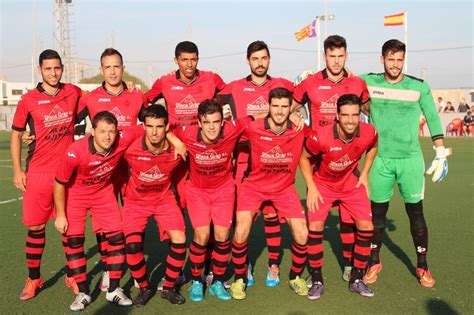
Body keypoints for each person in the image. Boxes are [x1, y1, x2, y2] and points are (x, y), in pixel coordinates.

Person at [53, 111, 185, 311]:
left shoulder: (122, 139)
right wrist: (61, 214)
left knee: (117, 239)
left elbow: (153, 127)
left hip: (103, 193)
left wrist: (175, 139)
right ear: (92, 131)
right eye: (102, 131)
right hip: (76, 195)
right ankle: (83, 292)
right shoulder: (75, 151)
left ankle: (114, 289)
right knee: (74, 241)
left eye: (111, 131)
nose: (107, 136)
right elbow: (59, 183)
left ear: (118, 132)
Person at [360, 39, 448, 288]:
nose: (395, 65)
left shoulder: (418, 86)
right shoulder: (369, 80)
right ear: (382, 60)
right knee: (377, 215)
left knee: (416, 212)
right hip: (379, 159)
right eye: (391, 59)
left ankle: (423, 266)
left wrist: (440, 151)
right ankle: (374, 260)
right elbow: (343, 80)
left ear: (404, 60)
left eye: (399, 60)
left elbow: (431, 115)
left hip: (410, 159)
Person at [216, 40, 295, 287]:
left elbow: (307, 94)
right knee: (244, 219)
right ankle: (245, 263)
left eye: (263, 58)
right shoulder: (234, 88)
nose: (260, 63)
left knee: (271, 216)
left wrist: (294, 113)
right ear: (248, 61)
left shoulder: (283, 85)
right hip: (244, 162)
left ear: (269, 59)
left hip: (274, 164)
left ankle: (273, 264)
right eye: (255, 59)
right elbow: (213, 108)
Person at [292, 35, 370, 282]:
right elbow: (291, 106)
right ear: (324, 56)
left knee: (348, 218)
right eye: (331, 56)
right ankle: (314, 271)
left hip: (347, 160)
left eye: (340, 56)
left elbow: (370, 109)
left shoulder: (357, 83)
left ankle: (348, 264)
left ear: (346, 56)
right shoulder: (310, 83)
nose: (336, 61)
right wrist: (295, 117)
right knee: (316, 219)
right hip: (317, 161)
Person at [174, 99, 265, 302]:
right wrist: (176, 142)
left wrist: (292, 114)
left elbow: (255, 117)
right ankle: (197, 280)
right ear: (199, 122)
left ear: (222, 122)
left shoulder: (232, 129)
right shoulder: (187, 133)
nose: (212, 127)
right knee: (202, 234)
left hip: (224, 190)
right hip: (197, 191)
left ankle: (217, 280)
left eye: (216, 121)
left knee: (223, 235)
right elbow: (166, 128)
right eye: (207, 122)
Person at [10, 49, 82, 300]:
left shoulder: (73, 92)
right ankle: (34, 278)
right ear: (40, 70)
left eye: (57, 68)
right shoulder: (28, 100)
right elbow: (17, 134)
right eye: (48, 68)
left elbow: (95, 103)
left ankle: (73, 275)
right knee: (36, 228)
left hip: (67, 173)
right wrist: (18, 169)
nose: (53, 73)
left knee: (69, 228)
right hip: (38, 173)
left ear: (62, 68)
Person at [76, 47, 149, 292]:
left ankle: (138, 270)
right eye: (107, 67)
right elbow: (66, 120)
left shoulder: (137, 96)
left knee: (134, 219)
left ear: (123, 68)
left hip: (131, 169)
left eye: (116, 66)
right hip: (102, 171)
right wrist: (33, 134)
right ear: (101, 70)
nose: (112, 71)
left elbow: (154, 122)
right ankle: (108, 269)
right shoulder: (91, 98)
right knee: (103, 223)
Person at [230, 87, 309, 300]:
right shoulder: (254, 127)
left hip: (284, 189)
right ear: (269, 106)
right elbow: (229, 129)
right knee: (241, 231)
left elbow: (321, 143)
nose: (281, 111)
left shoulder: (299, 129)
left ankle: (295, 276)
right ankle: (239, 278)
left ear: (290, 107)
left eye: (285, 107)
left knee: (302, 234)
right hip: (253, 187)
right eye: (276, 106)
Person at [300, 94, 378, 299]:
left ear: (360, 115)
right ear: (337, 115)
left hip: (351, 183)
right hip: (323, 185)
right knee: (315, 227)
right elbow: (303, 158)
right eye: (345, 115)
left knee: (366, 227)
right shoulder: (321, 136)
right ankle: (316, 278)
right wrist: (311, 187)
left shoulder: (369, 131)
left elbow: (373, 146)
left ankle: (357, 277)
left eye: (355, 115)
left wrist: (366, 174)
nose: (351, 120)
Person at [123, 105, 186, 306]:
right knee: (132, 245)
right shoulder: (131, 147)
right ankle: (144, 287)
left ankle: (168, 287)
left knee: (180, 239)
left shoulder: (176, 148)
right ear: (144, 126)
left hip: (164, 200)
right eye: (149, 126)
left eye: (159, 126)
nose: (154, 132)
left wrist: (176, 140)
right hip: (135, 202)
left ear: (166, 127)